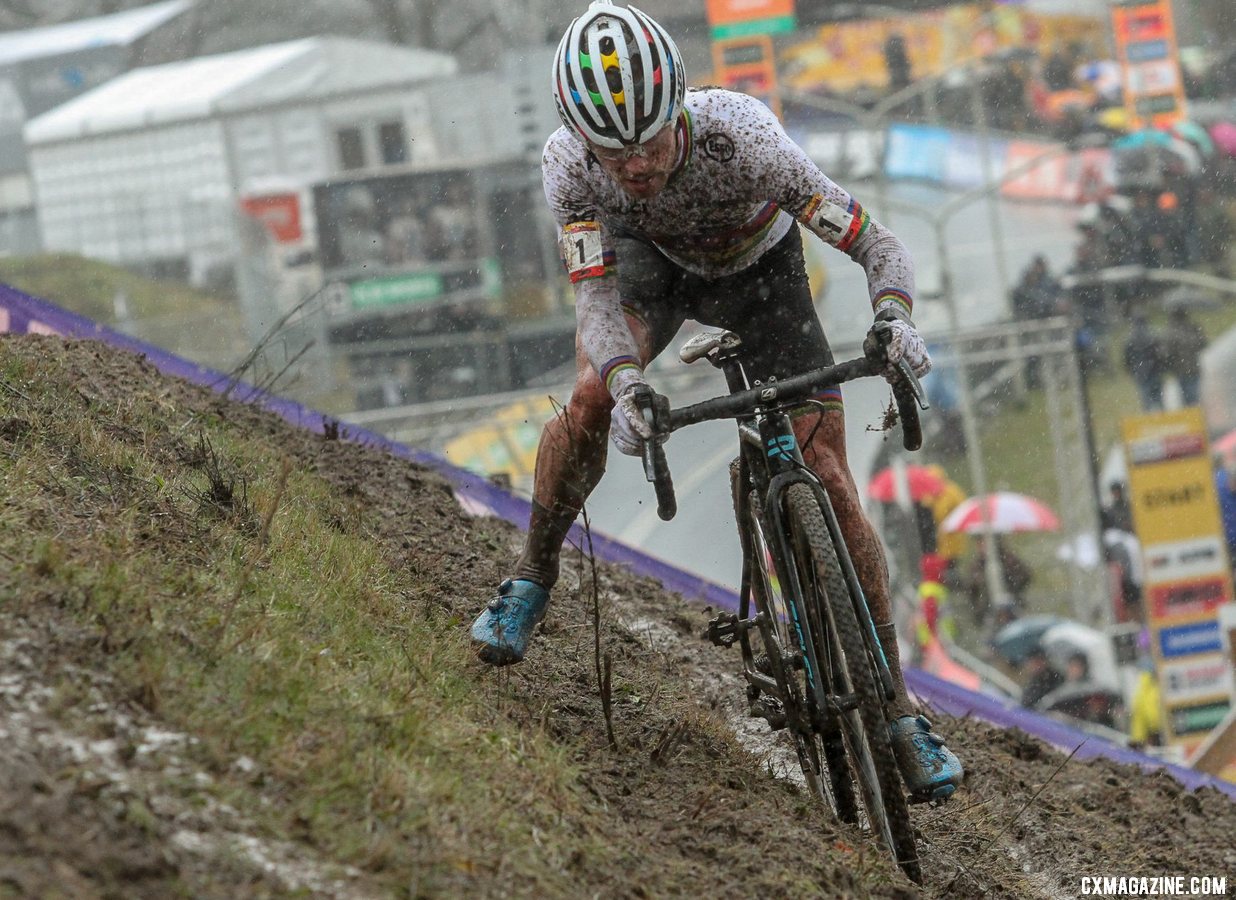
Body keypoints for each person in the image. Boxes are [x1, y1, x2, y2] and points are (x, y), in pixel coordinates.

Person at [469, 0, 962, 802]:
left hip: (762, 273)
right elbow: (595, 301)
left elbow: (875, 241)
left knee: (830, 479)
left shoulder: (746, 140)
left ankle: (902, 714)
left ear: (680, 108)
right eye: (611, 151)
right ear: (582, 140)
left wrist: (895, 315)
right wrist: (627, 382)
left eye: (651, 140)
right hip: (650, 269)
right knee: (591, 391)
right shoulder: (569, 168)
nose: (634, 166)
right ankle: (531, 577)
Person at [1159, 306, 1208, 406]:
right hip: (1194, 367)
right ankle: (1196, 414)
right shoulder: (1193, 328)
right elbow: (1203, 344)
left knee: (1186, 395)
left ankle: (1192, 415)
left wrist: (1168, 363)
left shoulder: (1170, 332)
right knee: (1193, 394)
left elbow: (1166, 353)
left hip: (1179, 369)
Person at [1122, 314, 1166, 411]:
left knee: (1145, 399)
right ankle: (1163, 419)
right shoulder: (1153, 335)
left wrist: (1130, 369)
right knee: (1159, 398)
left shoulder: (1129, 338)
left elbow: (1127, 357)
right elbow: (1160, 354)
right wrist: (1162, 366)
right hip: (1154, 370)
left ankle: (1148, 421)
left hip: (1140, 372)